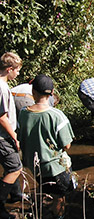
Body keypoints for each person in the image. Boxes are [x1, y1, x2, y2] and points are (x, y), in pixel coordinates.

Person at [17, 74, 76, 219]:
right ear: (52, 92)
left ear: (33, 92)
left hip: (34, 166)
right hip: (55, 168)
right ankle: (58, 216)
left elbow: (20, 137)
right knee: (59, 197)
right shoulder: (57, 115)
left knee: (46, 189)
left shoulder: (23, 113)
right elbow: (67, 145)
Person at [0, 52, 23, 219]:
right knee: (15, 168)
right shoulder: (2, 88)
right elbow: (1, 117)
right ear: (9, 69)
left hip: (4, 134)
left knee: (13, 165)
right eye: (17, 70)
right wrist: (14, 136)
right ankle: (0, 206)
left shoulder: (3, 86)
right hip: (3, 136)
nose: (19, 73)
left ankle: (16, 196)